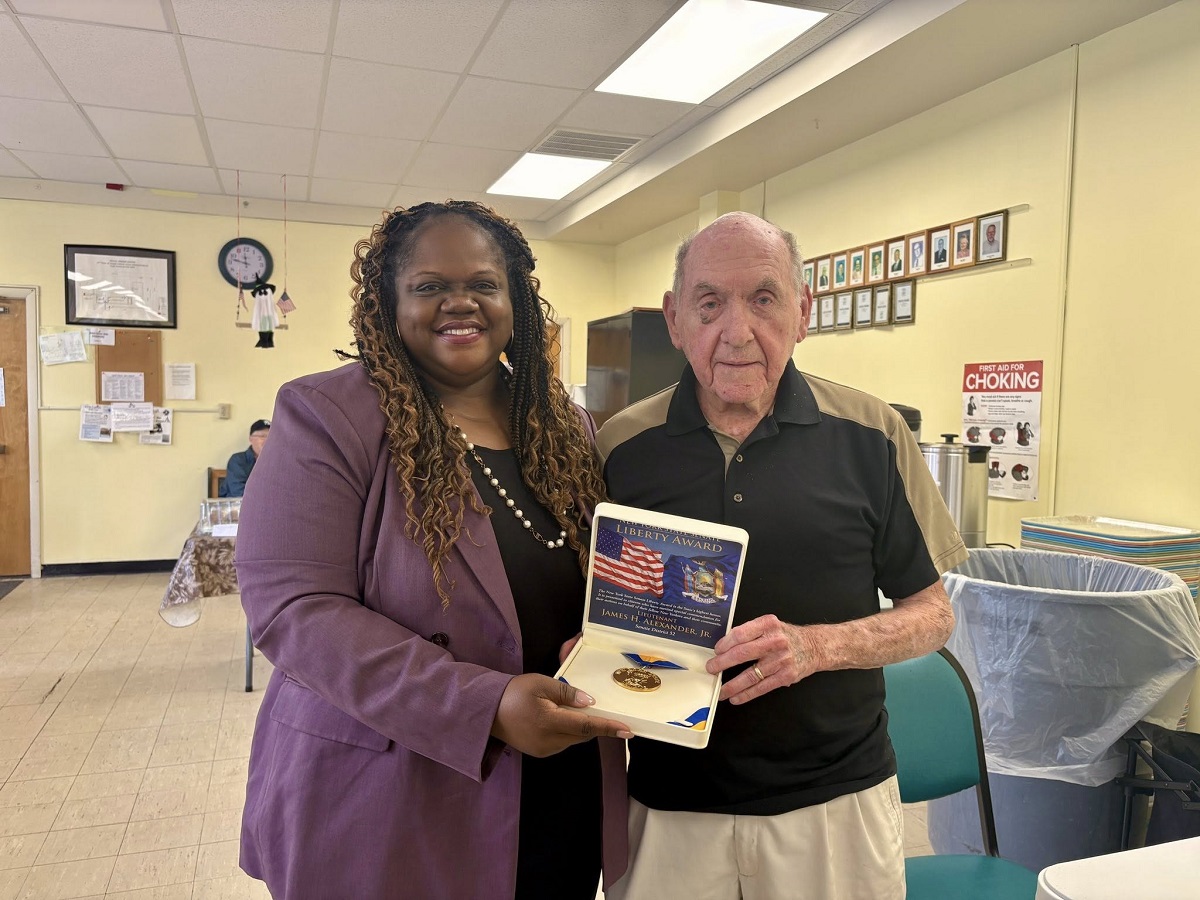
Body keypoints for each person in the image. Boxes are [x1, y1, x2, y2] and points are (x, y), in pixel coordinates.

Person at [235, 200, 631, 899]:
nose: (460, 302)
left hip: (556, 782)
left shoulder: (565, 425)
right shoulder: (329, 416)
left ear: (516, 301)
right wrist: (486, 706)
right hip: (392, 789)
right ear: (389, 304)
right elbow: (293, 609)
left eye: (484, 283)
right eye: (428, 286)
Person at [598, 212, 967, 900]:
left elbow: (934, 615)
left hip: (835, 807)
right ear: (675, 319)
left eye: (764, 299)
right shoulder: (618, 448)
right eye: (710, 303)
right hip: (668, 804)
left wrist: (817, 647)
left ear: (803, 312)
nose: (737, 331)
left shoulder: (873, 435)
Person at [219, 418, 269, 497]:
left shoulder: (276, 463)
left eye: (270, 437)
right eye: (262, 436)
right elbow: (239, 493)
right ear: (251, 439)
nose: (268, 440)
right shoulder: (238, 461)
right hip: (240, 507)